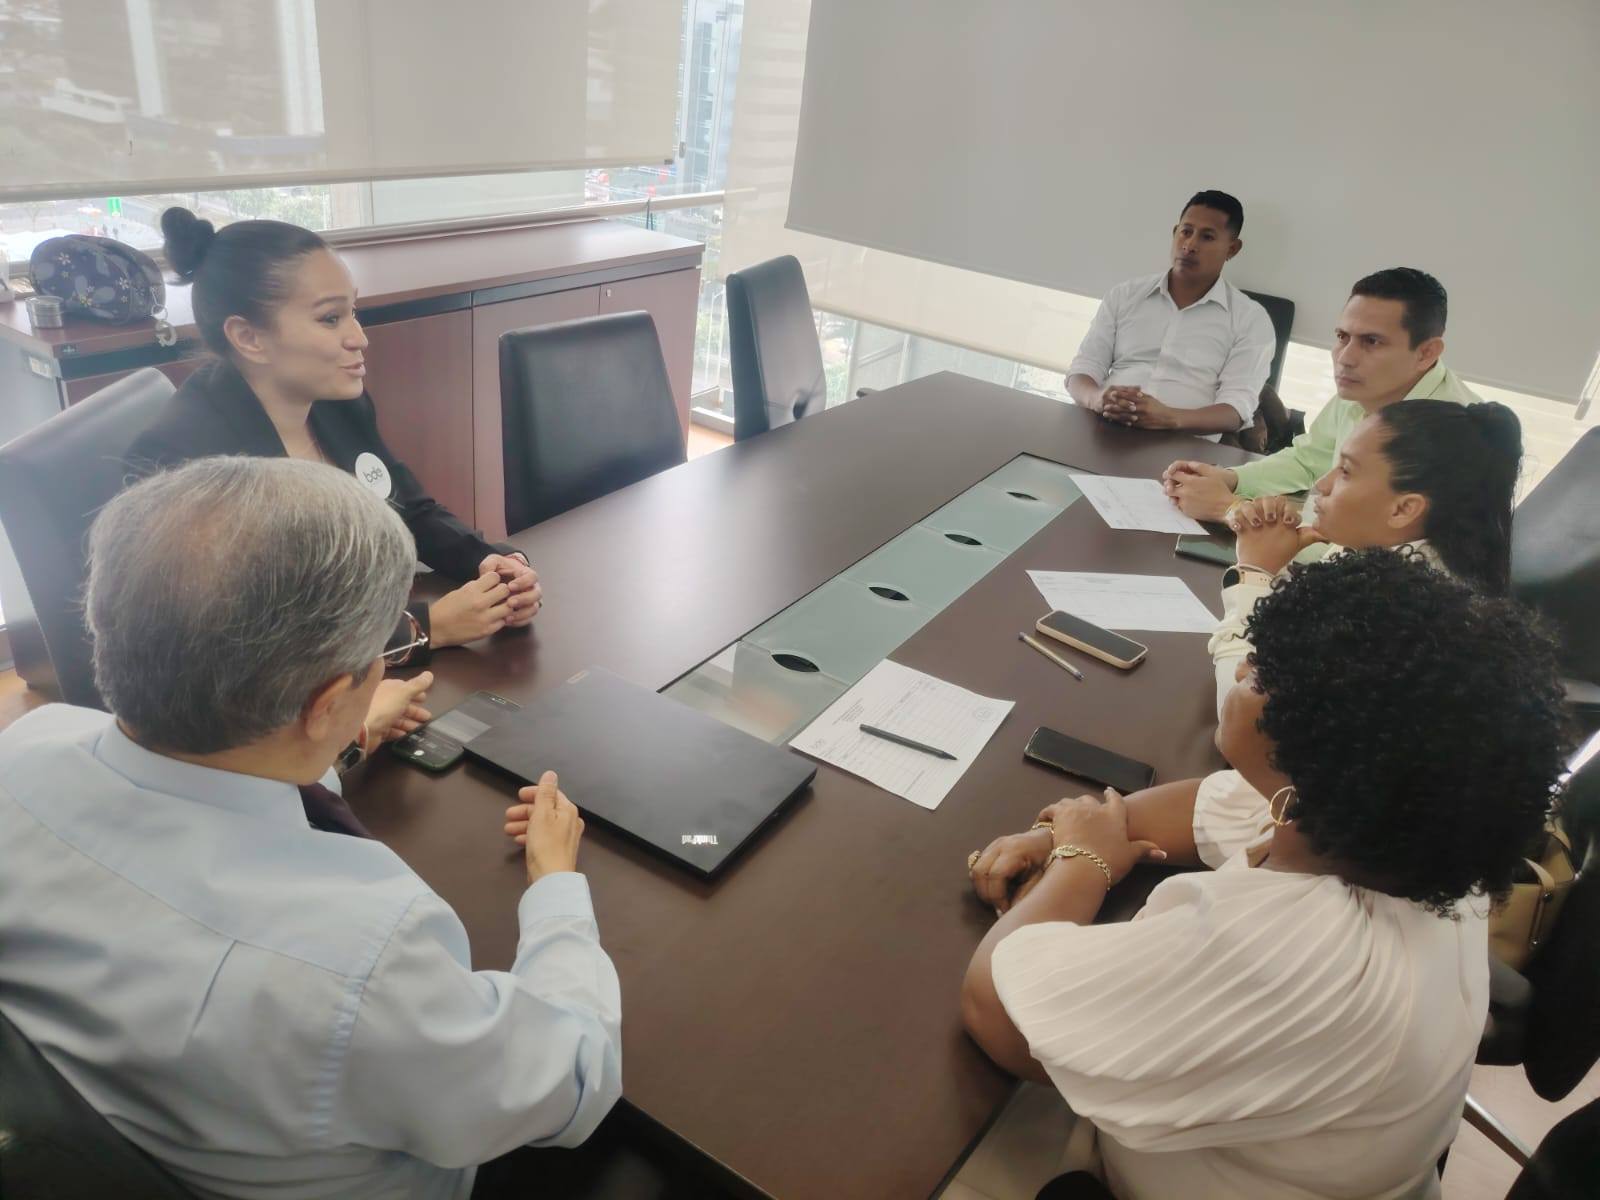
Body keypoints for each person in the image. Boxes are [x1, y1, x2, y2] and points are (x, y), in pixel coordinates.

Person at [0, 457, 621, 1199]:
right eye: (380, 652)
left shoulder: (27, 748)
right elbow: (574, 1083)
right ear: (325, 702)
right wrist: (556, 890)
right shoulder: (361, 967)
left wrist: (335, 746)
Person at [961, 550, 1569, 1200]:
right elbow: (1203, 806)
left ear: (1319, 745)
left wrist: (1084, 861)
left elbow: (995, 1012)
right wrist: (1069, 831)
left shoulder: (1293, 954)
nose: (1242, 669)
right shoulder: (1407, 827)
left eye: (1261, 673)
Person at [129, 207, 542, 667]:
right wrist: (424, 629)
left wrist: (487, 562)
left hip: (355, 662)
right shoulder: (186, 460)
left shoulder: (336, 402)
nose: (359, 338)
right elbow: (244, 638)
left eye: (353, 312)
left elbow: (406, 508)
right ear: (248, 337)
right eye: (330, 319)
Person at [1207, 398, 1522, 709]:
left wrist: (1253, 572)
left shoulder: (1394, 612)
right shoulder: (1393, 555)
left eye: (1345, 471)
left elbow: (1247, 712)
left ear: (1403, 509)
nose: (1322, 484)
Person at [1164, 267, 1480, 521]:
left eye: (1372, 341)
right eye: (1342, 337)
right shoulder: (1367, 388)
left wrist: (1230, 510)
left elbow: (1358, 550)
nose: (1346, 358)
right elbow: (1307, 460)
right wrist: (1232, 480)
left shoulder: (1452, 434)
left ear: (1426, 353)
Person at [1065, 190, 1275, 441]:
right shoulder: (1125, 295)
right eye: (1186, 232)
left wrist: (1170, 418)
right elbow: (1084, 368)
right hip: (1103, 430)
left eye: (1207, 237)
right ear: (1175, 232)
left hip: (1185, 446)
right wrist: (1096, 398)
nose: (1190, 245)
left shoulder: (1251, 320)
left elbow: (1236, 410)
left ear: (1232, 249)